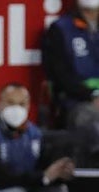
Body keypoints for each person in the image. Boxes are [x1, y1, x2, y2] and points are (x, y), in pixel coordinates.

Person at [42, 0, 99, 164]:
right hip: (78, 103)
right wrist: (91, 95)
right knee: (92, 119)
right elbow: (59, 76)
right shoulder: (60, 29)